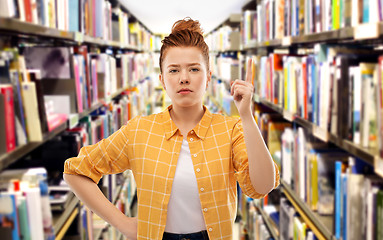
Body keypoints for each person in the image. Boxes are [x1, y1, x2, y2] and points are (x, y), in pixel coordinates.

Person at [63, 18, 280, 240]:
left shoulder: (230, 130)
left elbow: (262, 186)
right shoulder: (139, 131)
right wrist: (123, 224)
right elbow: (75, 172)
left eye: (194, 69)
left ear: (208, 79)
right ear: (162, 80)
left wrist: (246, 116)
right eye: (174, 70)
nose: (184, 78)